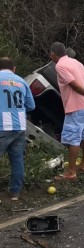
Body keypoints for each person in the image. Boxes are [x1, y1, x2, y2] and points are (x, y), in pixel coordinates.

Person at [50, 42, 84, 181]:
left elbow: (74, 85)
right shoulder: (76, 62)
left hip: (76, 107)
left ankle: (71, 172)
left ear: (53, 54)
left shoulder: (60, 66)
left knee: (73, 139)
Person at [0, 57, 35, 201]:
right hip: (19, 126)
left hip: (2, 126)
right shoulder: (22, 81)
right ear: (13, 68)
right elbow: (31, 106)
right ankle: (15, 193)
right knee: (17, 160)